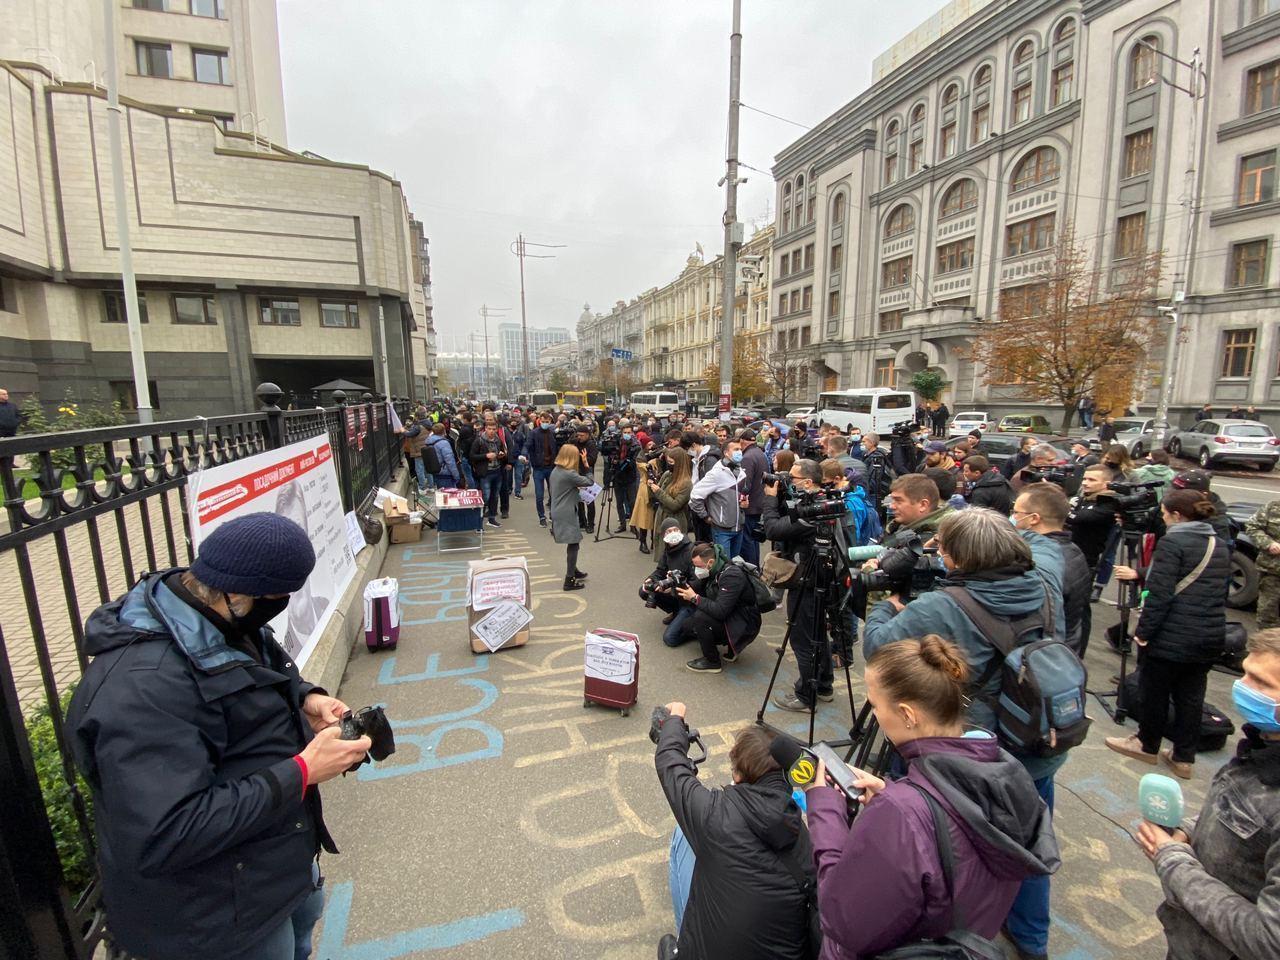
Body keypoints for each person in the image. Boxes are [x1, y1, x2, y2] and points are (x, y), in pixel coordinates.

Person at [67, 514, 372, 960]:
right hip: (218, 918)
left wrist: (306, 698)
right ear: (238, 593)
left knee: (299, 941)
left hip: (271, 873)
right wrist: (303, 771)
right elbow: (167, 833)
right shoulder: (142, 688)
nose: (283, 604)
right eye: (277, 596)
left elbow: (257, 672)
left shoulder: (216, 618)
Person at [804, 635, 1059, 959]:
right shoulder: (1003, 772)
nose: (876, 718)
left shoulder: (900, 815)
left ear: (908, 714)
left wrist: (823, 804)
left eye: (876, 705)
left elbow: (841, 919)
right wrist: (893, 790)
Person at [1139, 627, 1280, 960]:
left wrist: (1173, 860)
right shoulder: (1264, 742)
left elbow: (1270, 941)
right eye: (1245, 673)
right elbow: (1248, 822)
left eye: (1262, 684)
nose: (1242, 688)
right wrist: (1189, 830)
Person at [654, 707, 814, 960]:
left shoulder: (715, 815)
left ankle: (682, 950)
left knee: (682, 835)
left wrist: (673, 721)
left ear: (737, 773)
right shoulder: (806, 836)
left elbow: (671, 766)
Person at [1106, 489, 1231, 778]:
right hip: (1209, 633)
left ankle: (1146, 744)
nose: (1161, 518)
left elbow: (1160, 595)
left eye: (1163, 513)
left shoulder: (1174, 541)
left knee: (1155, 692)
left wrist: (1144, 632)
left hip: (1171, 634)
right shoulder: (1218, 542)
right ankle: (1183, 756)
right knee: (1191, 695)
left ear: (1177, 515)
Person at [764, 459, 837, 710]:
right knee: (818, 634)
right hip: (821, 578)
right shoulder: (824, 502)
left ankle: (806, 695)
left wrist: (771, 498)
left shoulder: (812, 511)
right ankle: (824, 684)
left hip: (807, 581)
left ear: (808, 482)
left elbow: (773, 529)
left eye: (792, 479)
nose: (787, 481)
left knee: (803, 640)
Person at [1015, 484, 1092, 656]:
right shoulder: (1073, 551)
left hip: (1043, 653)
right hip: (1065, 647)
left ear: (1034, 518)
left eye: (1016, 512)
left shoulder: (1036, 561)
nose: (1012, 517)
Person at [675, 541, 760, 673]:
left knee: (700, 618)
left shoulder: (731, 576)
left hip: (745, 623)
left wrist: (694, 598)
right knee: (687, 625)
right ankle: (732, 649)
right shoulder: (714, 568)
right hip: (735, 614)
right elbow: (695, 587)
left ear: (710, 562)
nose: (696, 569)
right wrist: (675, 584)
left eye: (698, 566)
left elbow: (720, 611)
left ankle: (712, 661)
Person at [643, 518, 698, 646]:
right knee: (645, 590)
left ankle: (693, 630)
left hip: (690, 601)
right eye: (669, 531)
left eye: (676, 530)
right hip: (677, 595)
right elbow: (660, 570)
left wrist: (672, 588)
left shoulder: (691, 551)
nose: (673, 533)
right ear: (664, 535)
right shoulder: (667, 550)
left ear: (681, 531)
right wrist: (651, 579)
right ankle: (676, 613)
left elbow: (697, 583)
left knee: (670, 639)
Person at [690, 438, 747, 561]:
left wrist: (744, 503)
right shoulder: (716, 474)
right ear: (726, 453)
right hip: (722, 530)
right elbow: (695, 496)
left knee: (735, 565)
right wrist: (705, 516)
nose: (740, 452)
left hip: (739, 527)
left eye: (741, 449)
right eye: (736, 449)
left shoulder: (740, 471)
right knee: (723, 565)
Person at [549, 443, 592, 591]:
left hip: (559, 510)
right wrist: (587, 465)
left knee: (573, 543)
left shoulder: (556, 470)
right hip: (566, 512)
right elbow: (589, 482)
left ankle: (573, 570)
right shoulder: (569, 474)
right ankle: (569, 579)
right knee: (574, 543)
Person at [1246, 498, 1280, 630]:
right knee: (1267, 614)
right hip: (1273, 571)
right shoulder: (1273, 507)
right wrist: (1268, 543)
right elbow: (1252, 526)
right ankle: (1267, 647)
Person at [885, 473, 952, 539]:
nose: (892, 506)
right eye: (893, 500)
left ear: (923, 505)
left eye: (898, 501)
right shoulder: (900, 526)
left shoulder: (937, 540)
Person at [522, 413, 560, 527]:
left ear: (550, 421)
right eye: (543, 421)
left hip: (551, 468)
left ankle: (552, 515)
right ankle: (542, 517)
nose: (545, 423)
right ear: (539, 421)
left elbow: (558, 447)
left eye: (547, 421)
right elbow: (527, 445)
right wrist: (524, 455)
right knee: (539, 495)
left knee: (553, 494)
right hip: (538, 468)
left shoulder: (553, 433)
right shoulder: (534, 433)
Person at [469, 418, 508, 527]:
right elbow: (472, 456)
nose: (491, 431)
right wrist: (486, 456)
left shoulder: (498, 440)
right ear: (485, 429)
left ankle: (491, 519)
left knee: (494, 497)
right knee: (485, 497)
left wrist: (502, 455)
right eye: (489, 429)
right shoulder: (479, 440)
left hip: (497, 471)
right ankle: (478, 521)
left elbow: (503, 453)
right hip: (485, 473)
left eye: (494, 429)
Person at [738, 429, 768, 567]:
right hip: (759, 502)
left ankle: (751, 569)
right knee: (753, 539)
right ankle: (755, 568)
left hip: (750, 506)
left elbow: (745, 484)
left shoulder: (747, 457)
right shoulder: (760, 454)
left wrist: (740, 498)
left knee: (747, 541)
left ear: (742, 441)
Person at [610, 421, 640, 532]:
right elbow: (611, 457)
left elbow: (633, 462)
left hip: (630, 477)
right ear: (621, 433)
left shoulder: (635, 445)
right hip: (618, 476)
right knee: (619, 502)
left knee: (632, 502)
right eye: (625, 432)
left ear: (632, 433)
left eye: (629, 432)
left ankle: (633, 524)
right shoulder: (617, 443)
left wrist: (625, 462)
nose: (627, 434)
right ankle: (622, 524)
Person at [572, 424, 600, 532]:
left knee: (589, 500)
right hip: (576, 473)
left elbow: (592, 460)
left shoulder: (591, 444)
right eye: (578, 435)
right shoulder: (575, 442)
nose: (579, 437)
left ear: (587, 435)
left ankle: (591, 524)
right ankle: (582, 521)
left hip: (587, 474)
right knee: (579, 500)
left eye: (582, 435)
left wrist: (583, 459)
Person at [426, 422, 461, 488]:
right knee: (449, 495)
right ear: (444, 431)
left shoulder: (429, 442)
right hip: (446, 473)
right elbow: (450, 461)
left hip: (435, 471)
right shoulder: (444, 443)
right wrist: (456, 475)